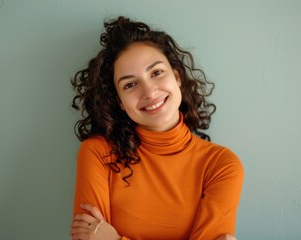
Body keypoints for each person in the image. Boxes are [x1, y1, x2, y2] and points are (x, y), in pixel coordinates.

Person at [70, 16, 244, 240]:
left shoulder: (222, 166)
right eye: (130, 84)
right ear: (120, 102)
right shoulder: (98, 153)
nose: (149, 92)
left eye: (156, 73)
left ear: (178, 77)